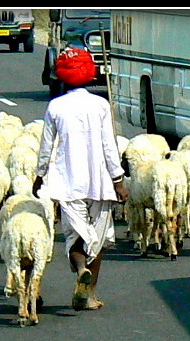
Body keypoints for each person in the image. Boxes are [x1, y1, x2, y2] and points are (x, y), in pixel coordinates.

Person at [32, 47, 128, 311]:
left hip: (67, 183)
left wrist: (40, 176)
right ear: (89, 74)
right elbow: (110, 146)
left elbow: (46, 147)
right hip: (99, 182)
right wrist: (118, 180)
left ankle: (80, 268)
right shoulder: (100, 105)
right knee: (98, 238)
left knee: (74, 236)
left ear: (61, 75)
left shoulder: (55, 106)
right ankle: (89, 295)